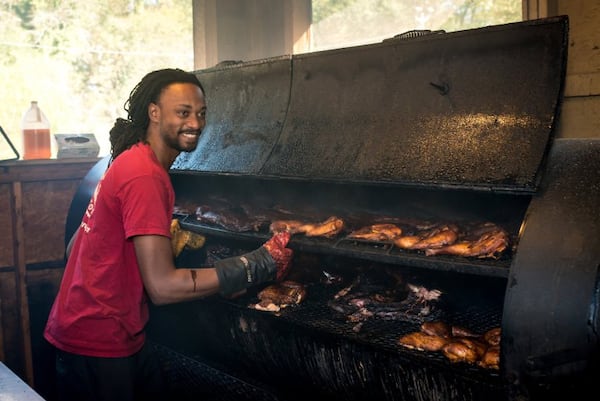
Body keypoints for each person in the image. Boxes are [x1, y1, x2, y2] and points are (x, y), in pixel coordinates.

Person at [43, 68, 293, 401]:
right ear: (154, 113)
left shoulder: (130, 159)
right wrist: (255, 265)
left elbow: (75, 245)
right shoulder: (145, 176)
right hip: (100, 342)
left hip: (91, 330)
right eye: (183, 113)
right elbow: (162, 288)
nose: (195, 123)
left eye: (201, 114)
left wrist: (150, 244)